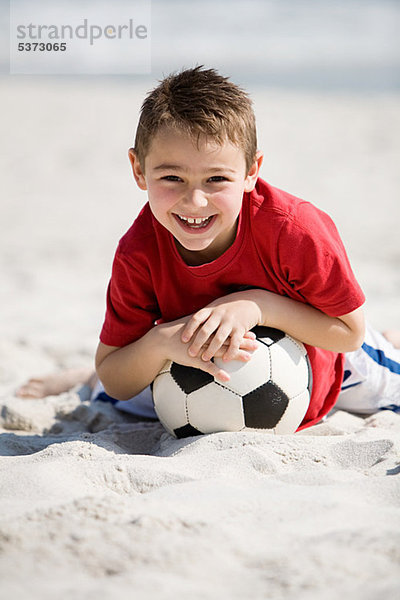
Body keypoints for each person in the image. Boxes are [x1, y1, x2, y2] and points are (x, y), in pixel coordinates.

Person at [17, 66, 400, 426]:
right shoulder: (139, 252)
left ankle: (389, 343)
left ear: (251, 172)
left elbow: (348, 332)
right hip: (191, 365)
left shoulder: (294, 230)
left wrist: (257, 305)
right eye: (172, 177)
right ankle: (82, 379)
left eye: (216, 178)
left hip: (327, 364)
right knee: (118, 393)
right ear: (138, 170)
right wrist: (158, 344)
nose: (195, 201)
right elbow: (116, 375)